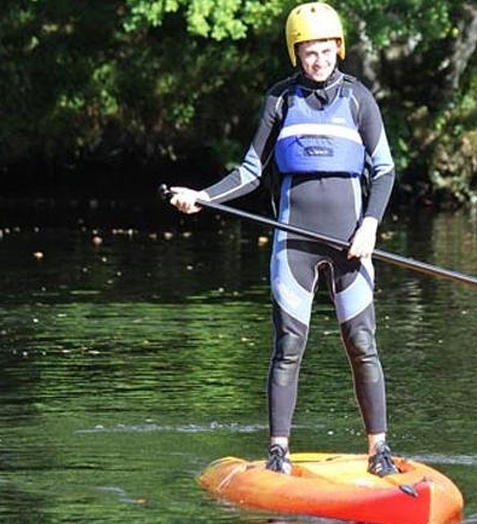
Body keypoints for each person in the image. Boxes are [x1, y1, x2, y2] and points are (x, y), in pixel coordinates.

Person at [169, 1, 399, 477]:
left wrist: (370, 226)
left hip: (350, 246)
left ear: (339, 48)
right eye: (308, 52)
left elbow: (385, 169)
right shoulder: (280, 100)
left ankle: (379, 449)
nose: (318, 60)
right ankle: (278, 451)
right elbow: (251, 171)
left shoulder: (359, 100)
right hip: (293, 245)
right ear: (296, 54)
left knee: (362, 342)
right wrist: (204, 197)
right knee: (288, 346)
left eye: (325, 50)